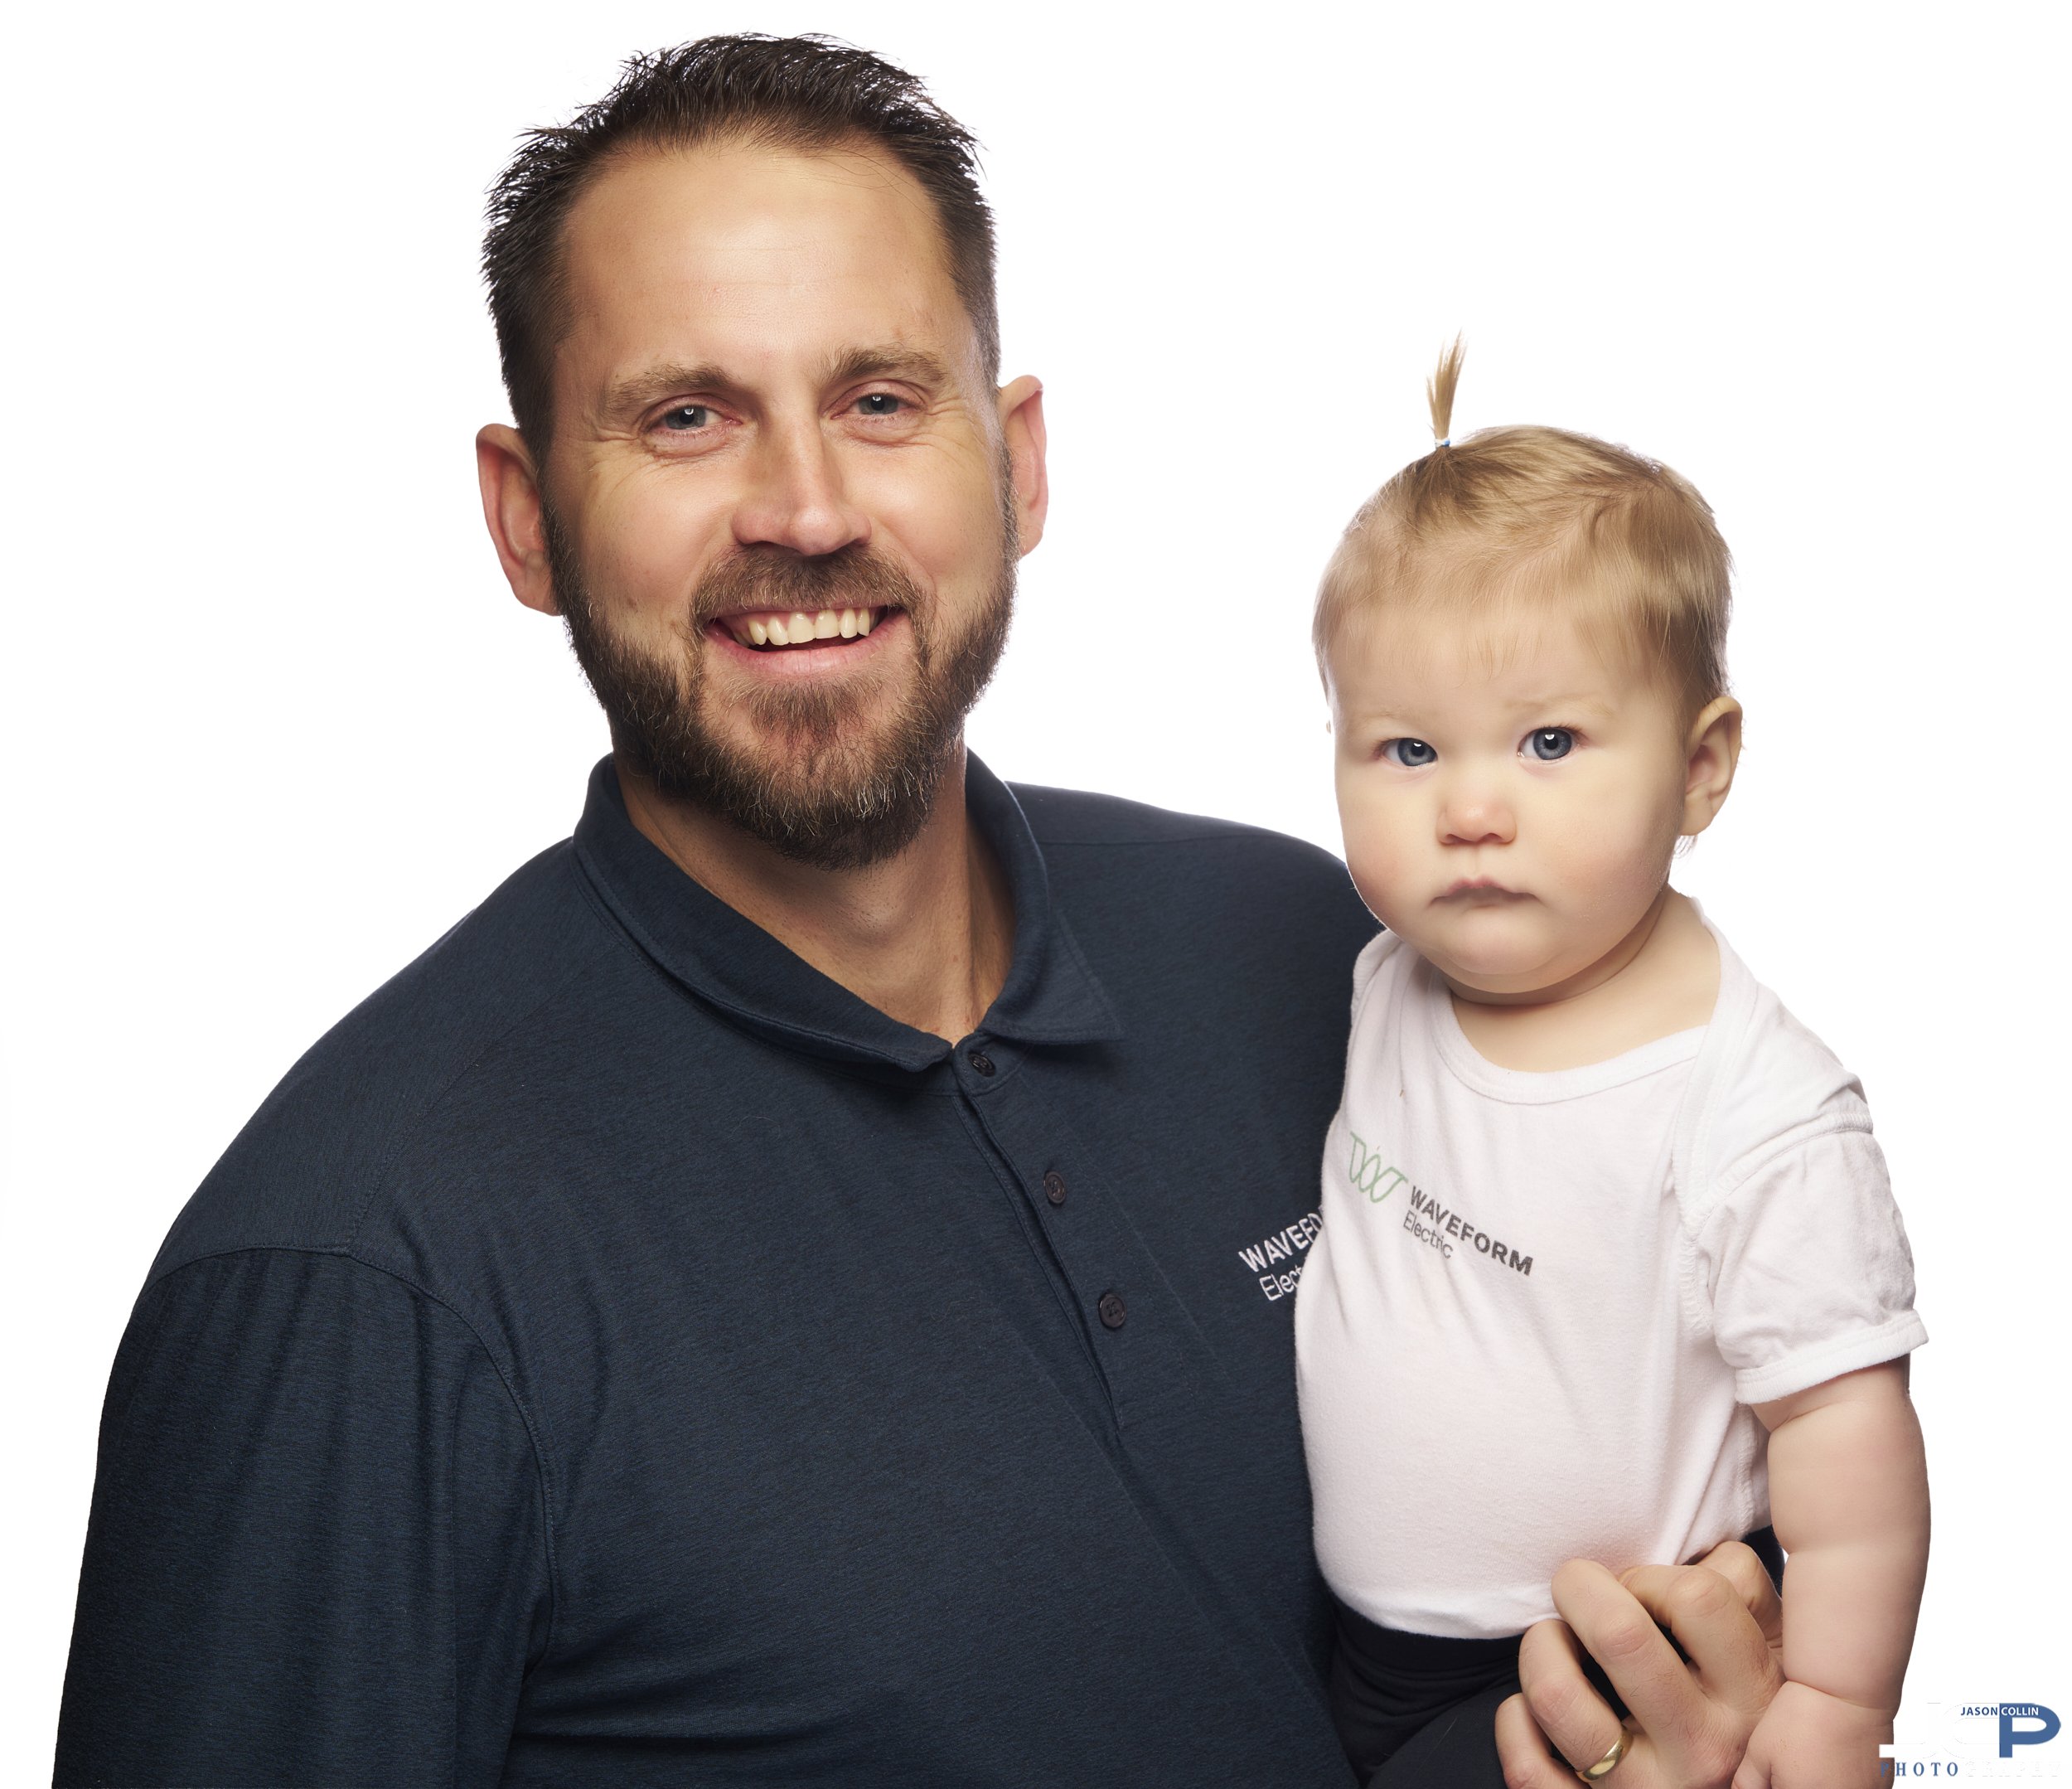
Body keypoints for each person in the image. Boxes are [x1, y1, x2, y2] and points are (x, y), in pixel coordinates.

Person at [56, 40, 1782, 1788]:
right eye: (686, 416)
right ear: (526, 520)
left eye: (880, 400)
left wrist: (1693, 1721)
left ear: (1016, 464)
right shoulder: (361, 1274)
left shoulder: (1327, 961)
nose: (806, 511)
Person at [1294, 343, 1930, 1786]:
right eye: (1406, 749)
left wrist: (1837, 1704)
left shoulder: (1754, 1107)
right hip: (1358, 1645)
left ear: (1701, 767)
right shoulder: (1387, 975)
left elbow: (1844, 1426)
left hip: (1602, 1664)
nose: (1469, 808)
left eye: (1549, 740)